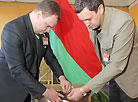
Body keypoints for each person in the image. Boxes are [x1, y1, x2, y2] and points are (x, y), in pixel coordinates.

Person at [0, 0, 72, 102]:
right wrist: (46, 92)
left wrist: (61, 77)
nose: (48, 31)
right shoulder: (12, 29)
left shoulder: (43, 33)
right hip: (9, 91)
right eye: (47, 25)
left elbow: (50, 57)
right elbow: (17, 69)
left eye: (51, 27)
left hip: (28, 89)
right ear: (38, 15)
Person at [67, 0, 138, 102]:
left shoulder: (124, 23)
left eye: (88, 19)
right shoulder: (93, 23)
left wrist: (83, 90)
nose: (86, 24)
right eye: (83, 20)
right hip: (113, 79)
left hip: (131, 84)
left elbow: (116, 66)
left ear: (100, 9)